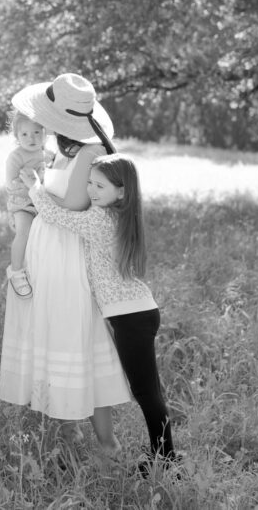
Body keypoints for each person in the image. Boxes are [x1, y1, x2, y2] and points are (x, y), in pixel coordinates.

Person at [0, 73, 129, 456]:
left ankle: (107, 444)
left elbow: (71, 205)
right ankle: (67, 430)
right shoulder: (61, 150)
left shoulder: (88, 152)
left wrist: (34, 188)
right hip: (44, 248)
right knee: (53, 336)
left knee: (79, 337)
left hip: (66, 252)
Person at [19, 153, 177, 474]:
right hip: (137, 312)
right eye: (89, 182)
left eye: (100, 186)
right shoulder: (116, 215)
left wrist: (35, 187)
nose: (91, 190)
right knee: (150, 390)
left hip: (131, 317)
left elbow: (54, 215)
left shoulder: (100, 220)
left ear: (121, 192)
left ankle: (166, 460)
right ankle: (163, 456)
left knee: (146, 393)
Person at [3, 111, 55, 299]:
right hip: (22, 203)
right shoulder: (16, 157)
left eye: (36, 132)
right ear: (16, 136)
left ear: (44, 133)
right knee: (23, 232)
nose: (31, 138)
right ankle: (16, 271)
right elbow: (10, 184)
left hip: (44, 201)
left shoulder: (49, 155)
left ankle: (43, 269)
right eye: (24, 134)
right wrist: (29, 181)